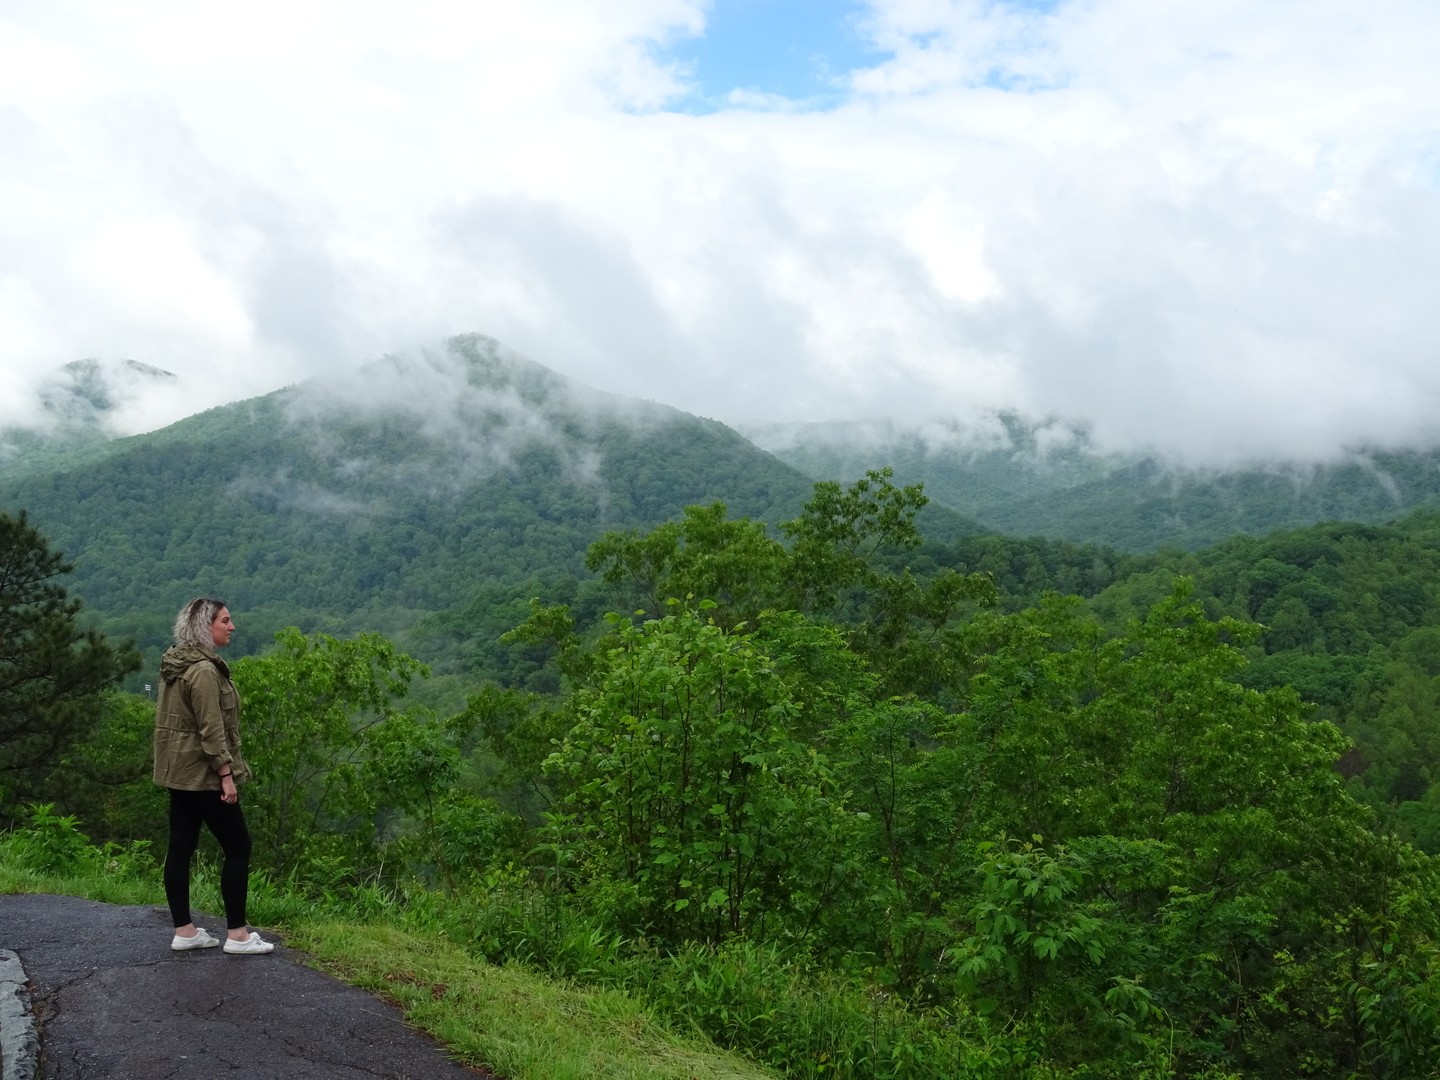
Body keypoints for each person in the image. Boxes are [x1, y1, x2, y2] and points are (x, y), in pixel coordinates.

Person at [153, 597, 274, 955]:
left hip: (178, 773)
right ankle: (237, 935)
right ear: (207, 626)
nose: (231, 626)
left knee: (181, 848)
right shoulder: (204, 671)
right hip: (204, 774)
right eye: (225, 620)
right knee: (238, 847)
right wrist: (226, 774)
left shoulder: (176, 663)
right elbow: (211, 729)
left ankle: (185, 931)